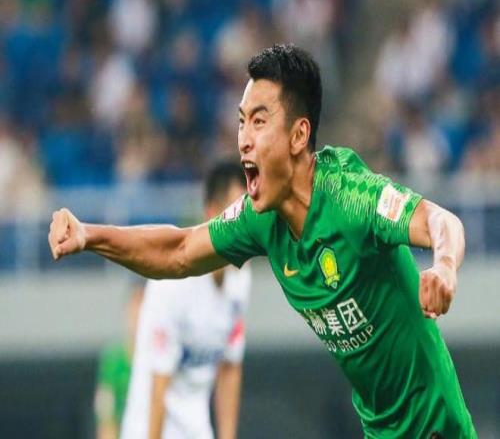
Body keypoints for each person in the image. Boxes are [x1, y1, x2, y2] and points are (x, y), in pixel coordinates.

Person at [49, 44, 476, 438]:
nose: (243, 139)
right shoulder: (260, 218)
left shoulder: (351, 197)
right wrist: (89, 234)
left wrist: (443, 266)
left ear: (298, 136)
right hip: (379, 429)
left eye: (259, 121)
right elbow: (178, 251)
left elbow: (441, 220)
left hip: (436, 426)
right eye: (241, 121)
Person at [120, 162, 250, 439]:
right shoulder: (173, 284)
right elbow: (159, 385)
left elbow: (230, 366)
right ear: (212, 213)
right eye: (237, 212)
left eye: (249, 213)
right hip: (149, 429)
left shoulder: (241, 280)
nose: (245, 224)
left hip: (196, 427)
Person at [94, 282, 145, 439]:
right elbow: (106, 417)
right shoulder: (113, 360)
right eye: (134, 306)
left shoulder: (162, 359)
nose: (138, 314)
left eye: (143, 305)